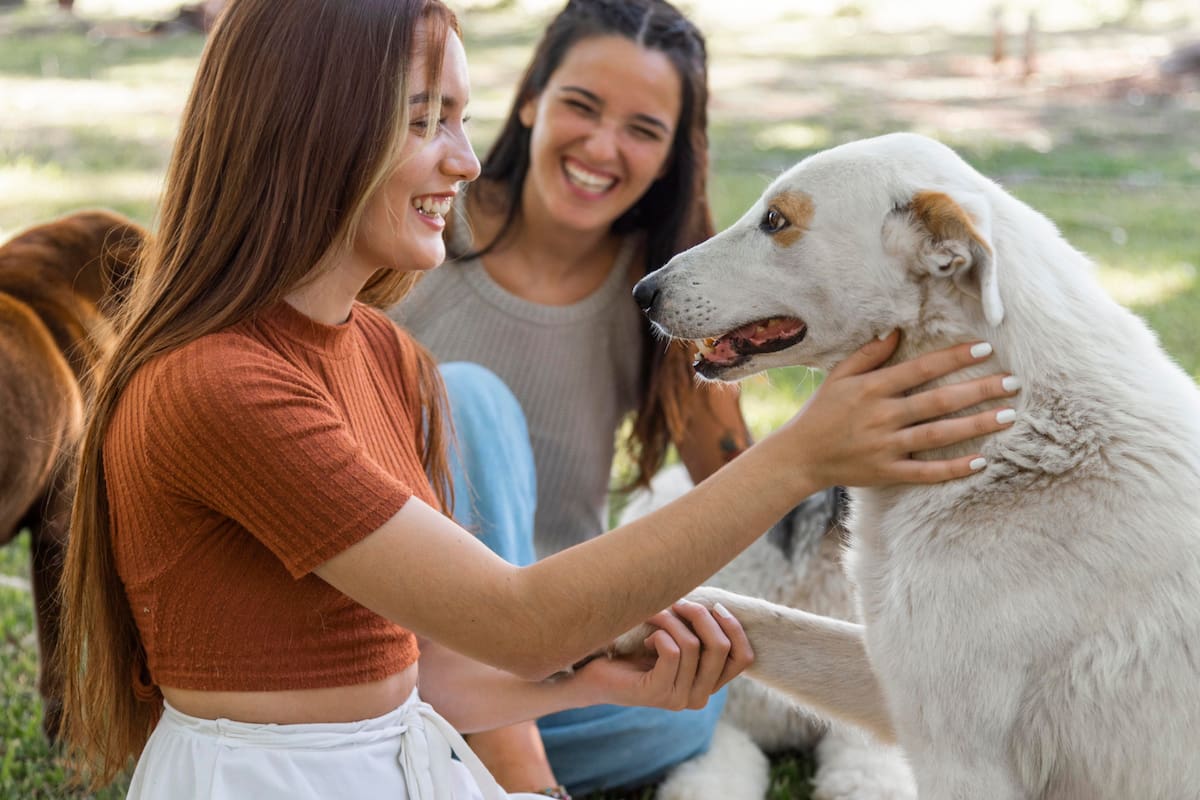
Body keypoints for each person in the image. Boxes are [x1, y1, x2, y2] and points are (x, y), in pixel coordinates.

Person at [55, 1, 1018, 798]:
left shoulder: (383, 354)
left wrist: (599, 677)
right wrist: (802, 454)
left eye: (461, 120)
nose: (464, 161)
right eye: (426, 121)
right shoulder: (217, 386)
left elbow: (406, 679)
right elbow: (514, 623)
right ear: (310, 130)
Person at [391, 1, 1020, 797]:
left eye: (642, 130)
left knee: (687, 708)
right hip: (408, 623)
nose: (602, 146)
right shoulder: (421, 230)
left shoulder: (660, 290)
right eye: (580, 107)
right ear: (529, 102)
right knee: (471, 400)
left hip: (548, 654)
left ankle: (436, 747)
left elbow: (741, 490)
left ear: (669, 157)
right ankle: (514, 774)